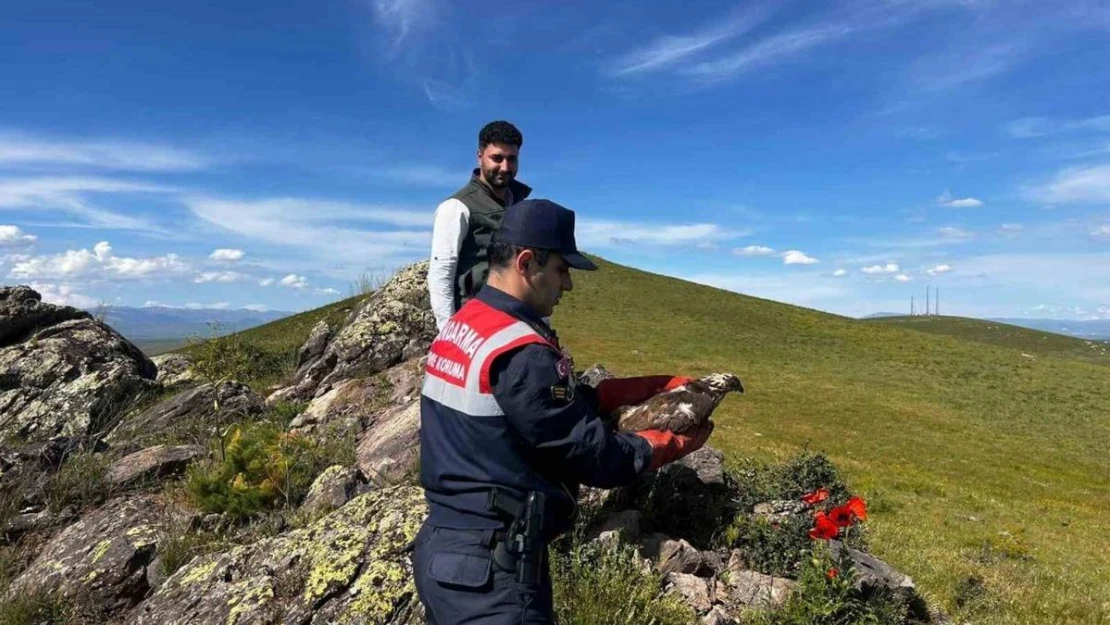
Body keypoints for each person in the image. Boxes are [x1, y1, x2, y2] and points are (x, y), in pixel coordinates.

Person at [415, 198, 714, 625]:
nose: (567, 285)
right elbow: (590, 453)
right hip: (492, 571)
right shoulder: (520, 350)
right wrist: (663, 444)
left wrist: (636, 388)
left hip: (444, 548)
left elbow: (535, 411)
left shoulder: (467, 325)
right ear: (526, 262)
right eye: (561, 269)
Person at [428, 120, 532, 332]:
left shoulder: (519, 205)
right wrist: (449, 333)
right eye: (497, 158)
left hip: (515, 318)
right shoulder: (456, 207)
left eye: (512, 159)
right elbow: (441, 273)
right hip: (475, 322)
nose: (505, 167)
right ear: (480, 156)